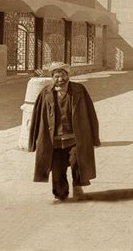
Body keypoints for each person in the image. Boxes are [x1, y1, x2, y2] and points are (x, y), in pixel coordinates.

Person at [28, 61, 101, 203]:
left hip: (75, 137)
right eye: (56, 76)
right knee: (57, 168)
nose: (59, 79)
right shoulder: (45, 93)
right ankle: (60, 194)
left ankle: (78, 187)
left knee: (77, 162)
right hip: (53, 140)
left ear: (68, 75)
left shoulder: (79, 90)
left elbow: (91, 114)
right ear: (52, 77)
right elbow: (36, 117)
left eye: (62, 76)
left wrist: (95, 138)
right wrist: (32, 142)